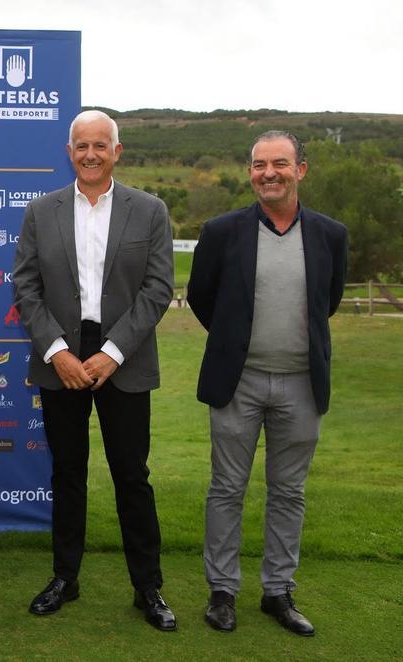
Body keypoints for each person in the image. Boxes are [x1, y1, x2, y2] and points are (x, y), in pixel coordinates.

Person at [12, 110, 176, 631]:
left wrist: (113, 352)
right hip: (61, 356)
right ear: (69, 151)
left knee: (132, 476)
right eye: (81, 146)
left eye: (100, 146)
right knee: (67, 474)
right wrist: (58, 352)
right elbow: (26, 288)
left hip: (122, 356)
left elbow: (157, 290)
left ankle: (148, 587)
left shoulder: (149, 210)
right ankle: (66, 577)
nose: (89, 154)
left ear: (116, 152)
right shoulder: (42, 211)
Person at [187, 131, 347, 636]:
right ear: (250, 171)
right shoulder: (221, 231)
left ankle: (278, 591)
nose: (269, 173)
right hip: (239, 381)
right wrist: (237, 341)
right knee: (227, 489)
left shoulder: (330, 235)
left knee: (289, 492)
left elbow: (330, 301)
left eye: (280, 163)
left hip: (302, 384)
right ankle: (222, 592)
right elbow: (201, 297)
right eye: (259, 165)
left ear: (301, 169)